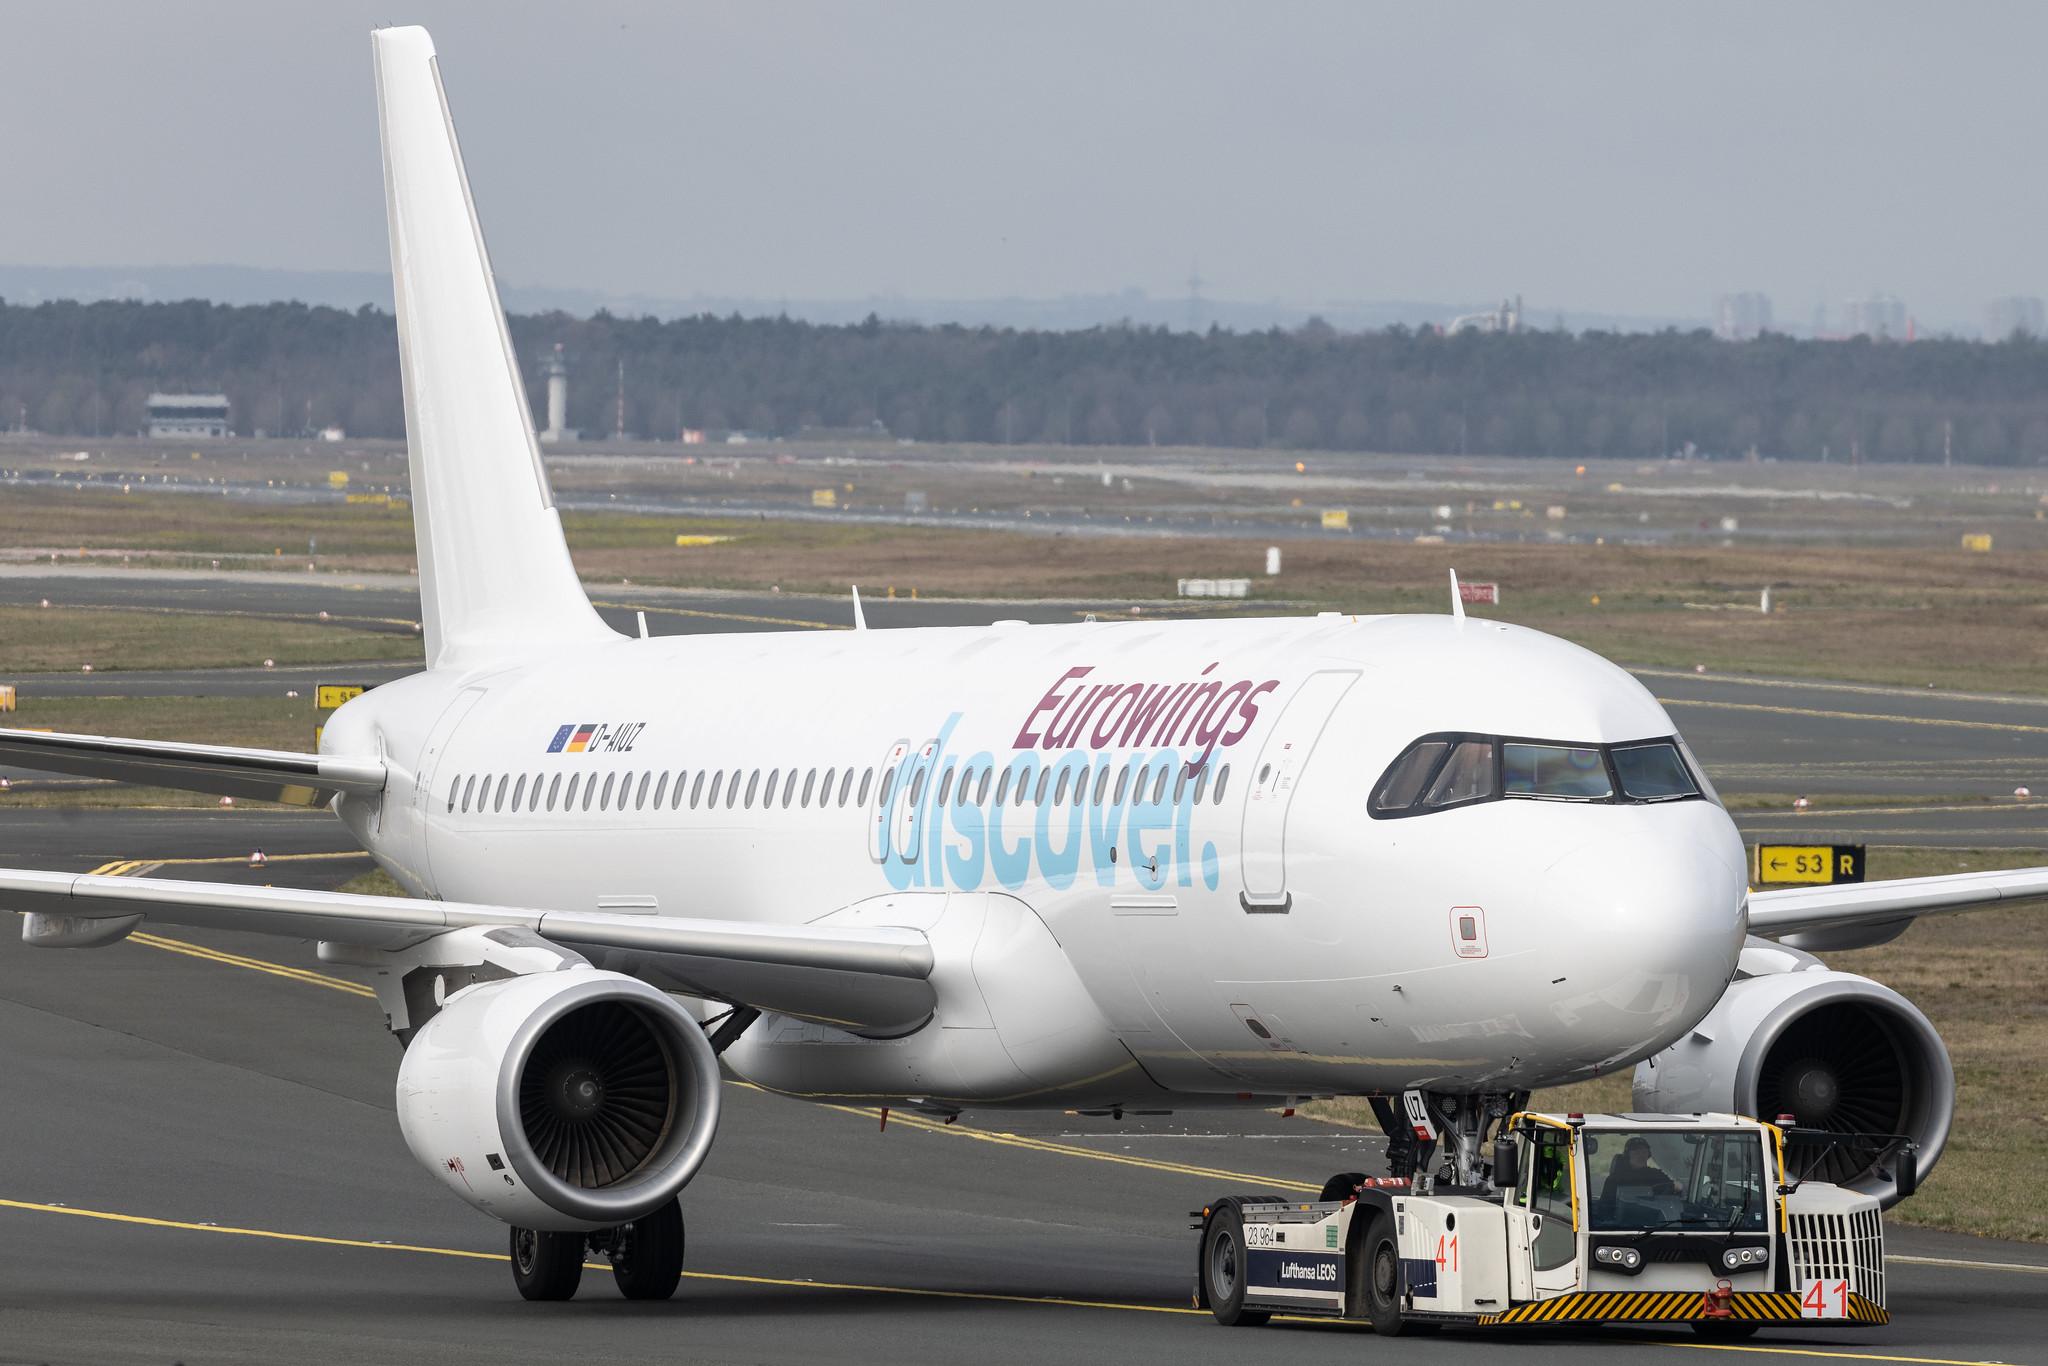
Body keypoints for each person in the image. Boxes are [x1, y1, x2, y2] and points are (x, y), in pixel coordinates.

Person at [1604, 1136, 1680, 1204]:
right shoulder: (1614, 1180)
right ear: (1628, 1155)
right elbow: (1604, 1210)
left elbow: (1676, 1187)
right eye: (1636, 1152)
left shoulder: (1656, 1175)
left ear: (1648, 1155)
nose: (1641, 1155)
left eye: (1644, 1152)